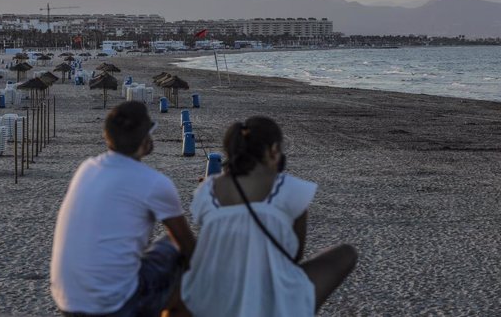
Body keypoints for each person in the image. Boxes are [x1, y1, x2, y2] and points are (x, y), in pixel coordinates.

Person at [182, 116, 357, 316]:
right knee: (346, 253)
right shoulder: (291, 190)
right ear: (274, 150)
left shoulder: (205, 191)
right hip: (271, 302)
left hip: (214, 298)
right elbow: (294, 256)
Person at [51, 101, 195, 317]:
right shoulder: (155, 183)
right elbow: (188, 247)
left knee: (165, 248)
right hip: (114, 305)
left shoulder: (87, 168)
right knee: (183, 257)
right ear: (146, 138)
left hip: (67, 299)